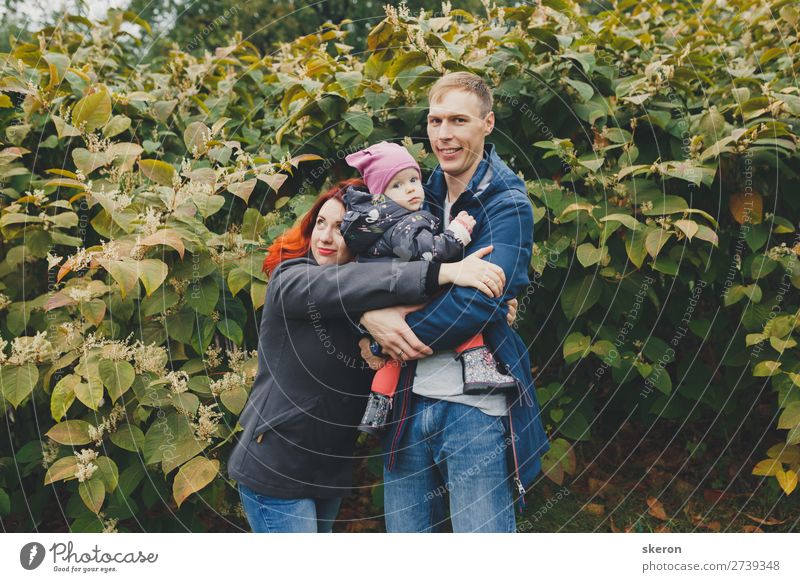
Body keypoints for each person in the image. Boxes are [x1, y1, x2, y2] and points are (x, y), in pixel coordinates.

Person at [226, 178, 507, 533]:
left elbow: (388, 292)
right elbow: (342, 287)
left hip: (327, 468)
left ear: (366, 240)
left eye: (341, 229)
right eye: (320, 224)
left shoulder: (375, 294)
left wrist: (490, 303)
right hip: (276, 465)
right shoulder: (290, 279)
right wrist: (445, 271)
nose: (326, 237)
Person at [358, 72, 550, 532]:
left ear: (487, 124)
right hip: (406, 404)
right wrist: (368, 314)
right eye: (435, 120)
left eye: (458, 120)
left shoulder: (507, 204)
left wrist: (390, 338)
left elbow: (476, 306)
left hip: (473, 412)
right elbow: (365, 266)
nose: (444, 134)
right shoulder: (417, 192)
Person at [340, 141, 518, 436]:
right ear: (379, 196)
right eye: (397, 185)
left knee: (393, 358)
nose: (411, 189)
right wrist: (456, 234)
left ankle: (379, 406)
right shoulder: (402, 221)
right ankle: (477, 366)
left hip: (387, 294)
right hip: (411, 289)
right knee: (456, 302)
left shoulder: (375, 225)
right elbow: (428, 253)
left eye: (413, 180)